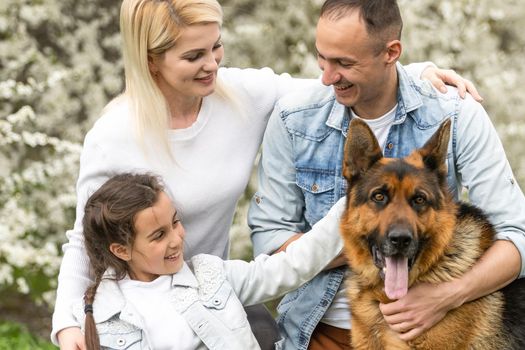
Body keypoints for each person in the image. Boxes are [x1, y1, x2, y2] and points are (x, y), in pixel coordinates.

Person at [51, 0, 479, 348]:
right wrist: (68, 323)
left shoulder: (240, 94)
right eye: (193, 56)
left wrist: (415, 73)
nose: (212, 65)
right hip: (136, 305)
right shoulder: (115, 134)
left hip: (212, 288)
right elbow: (83, 240)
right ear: (152, 60)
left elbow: (338, 83)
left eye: (216, 47)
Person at [248, 0, 525, 349]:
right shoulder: (295, 119)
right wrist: (366, 241)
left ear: (391, 52)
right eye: (322, 59)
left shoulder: (456, 114)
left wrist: (445, 296)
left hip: (433, 321)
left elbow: (518, 235)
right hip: (319, 329)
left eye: (344, 63)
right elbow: (271, 244)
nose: (327, 77)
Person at [75, 172, 345, 350]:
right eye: (158, 236)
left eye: (176, 223)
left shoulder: (210, 275)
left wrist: (350, 205)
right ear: (121, 250)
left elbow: (289, 267)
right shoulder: (99, 316)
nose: (176, 239)